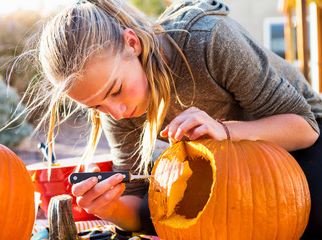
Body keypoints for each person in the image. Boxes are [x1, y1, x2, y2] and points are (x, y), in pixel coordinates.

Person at [32, 0, 322, 238]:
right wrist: (109, 209)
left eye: (116, 91)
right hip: (225, 169)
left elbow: (305, 129)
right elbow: (138, 207)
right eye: (97, 107)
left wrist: (226, 131)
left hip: (297, 141)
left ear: (132, 44)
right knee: (161, 210)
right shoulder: (116, 109)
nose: (116, 112)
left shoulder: (209, 39)